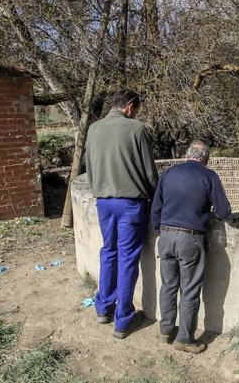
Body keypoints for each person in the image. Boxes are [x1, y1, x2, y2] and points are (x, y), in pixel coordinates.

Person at [84, 89, 158, 339]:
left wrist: (100, 191)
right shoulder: (136, 129)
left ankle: (103, 308)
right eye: (136, 109)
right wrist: (155, 195)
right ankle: (123, 319)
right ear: (129, 106)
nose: (135, 113)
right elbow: (149, 174)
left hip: (103, 202)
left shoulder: (94, 129)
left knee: (109, 252)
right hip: (130, 204)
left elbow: (90, 168)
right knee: (127, 259)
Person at [150, 141, 231, 354]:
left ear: (187, 155)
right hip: (191, 239)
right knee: (190, 290)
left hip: (166, 237)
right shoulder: (208, 176)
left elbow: (155, 208)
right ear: (205, 158)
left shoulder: (168, 174)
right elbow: (223, 211)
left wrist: (161, 232)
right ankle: (185, 338)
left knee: (168, 285)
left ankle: (165, 330)